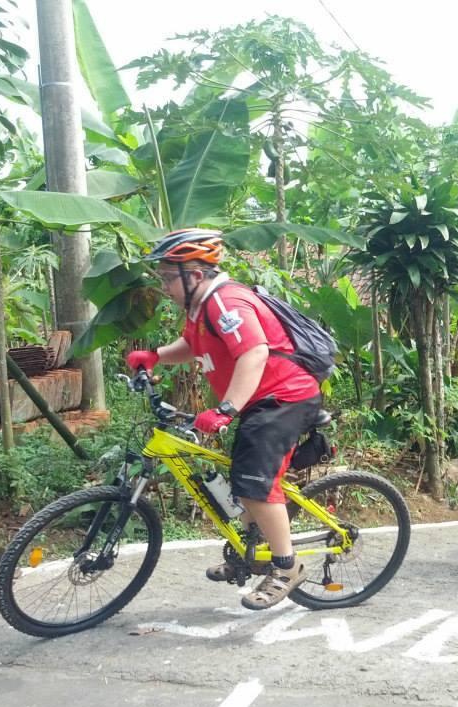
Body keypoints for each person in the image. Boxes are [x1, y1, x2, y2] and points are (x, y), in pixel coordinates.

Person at [125, 228, 321, 611]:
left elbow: (254, 353)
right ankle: (250, 553)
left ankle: (286, 566)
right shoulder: (200, 308)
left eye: (168, 277)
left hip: (285, 396)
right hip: (260, 400)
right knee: (243, 477)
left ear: (194, 275)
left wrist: (226, 409)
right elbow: (192, 345)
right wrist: (155, 356)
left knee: (254, 484)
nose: (164, 286)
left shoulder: (226, 301)